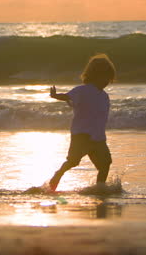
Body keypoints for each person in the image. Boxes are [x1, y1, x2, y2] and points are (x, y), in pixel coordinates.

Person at [48, 53, 115, 191]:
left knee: (105, 163)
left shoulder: (104, 96)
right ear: (94, 75)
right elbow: (68, 96)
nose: (107, 81)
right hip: (82, 134)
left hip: (98, 137)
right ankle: (58, 175)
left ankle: (99, 188)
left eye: (109, 78)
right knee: (73, 161)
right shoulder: (82, 90)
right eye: (105, 77)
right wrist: (55, 96)